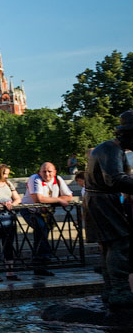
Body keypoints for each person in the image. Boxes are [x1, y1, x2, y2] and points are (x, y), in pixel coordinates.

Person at [82, 110, 133, 313]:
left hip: (100, 200)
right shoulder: (111, 149)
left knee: (109, 245)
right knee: (120, 242)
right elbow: (115, 179)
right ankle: (119, 291)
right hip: (102, 201)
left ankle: (111, 290)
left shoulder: (115, 149)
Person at [21, 162, 73, 276]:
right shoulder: (35, 179)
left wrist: (52, 199)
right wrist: (59, 200)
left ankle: (40, 265)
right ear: (39, 172)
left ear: (54, 172)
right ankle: (44, 257)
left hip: (46, 212)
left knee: (42, 233)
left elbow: (69, 196)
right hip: (30, 211)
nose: (47, 174)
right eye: (44, 171)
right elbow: (38, 199)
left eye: (50, 171)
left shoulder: (58, 180)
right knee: (41, 229)